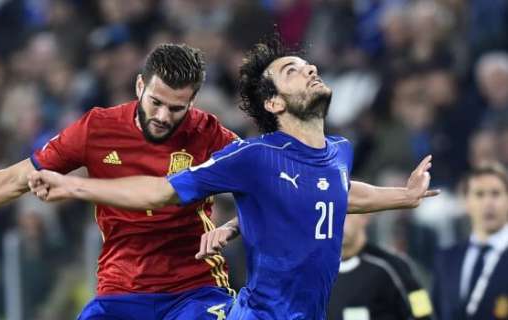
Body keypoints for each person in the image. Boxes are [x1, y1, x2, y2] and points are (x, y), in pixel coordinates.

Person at [28, 35, 438, 319]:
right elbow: (161, 191)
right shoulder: (254, 155)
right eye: (293, 70)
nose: (310, 68)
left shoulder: (339, 152)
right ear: (274, 101)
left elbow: (337, 191)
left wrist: (404, 195)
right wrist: (72, 184)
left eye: (306, 64)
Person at [0, 44, 240, 320]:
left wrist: (232, 226)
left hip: (194, 291)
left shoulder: (210, 135)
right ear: (139, 86)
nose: (162, 116)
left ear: (193, 101)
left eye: (176, 109)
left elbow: (269, 185)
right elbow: (13, 180)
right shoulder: (98, 128)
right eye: (155, 102)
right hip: (121, 292)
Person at [433, 164, 508, 320]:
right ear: (466, 202)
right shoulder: (447, 258)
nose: (488, 203)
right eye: (479, 194)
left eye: (496, 194)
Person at [328, 214, 434, 320]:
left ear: (364, 217)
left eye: (346, 214)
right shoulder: (316, 271)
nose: (336, 222)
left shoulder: (393, 265)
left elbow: (424, 313)